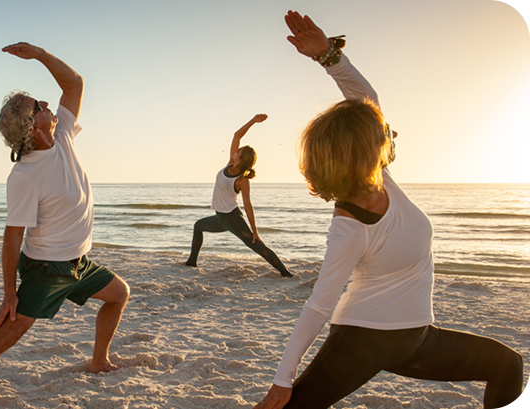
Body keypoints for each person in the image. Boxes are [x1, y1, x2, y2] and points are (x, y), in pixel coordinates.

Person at [255, 11, 523, 409]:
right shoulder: (350, 226)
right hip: (363, 339)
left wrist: (329, 55)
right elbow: (320, 304)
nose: (392, 132)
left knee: (507, 365)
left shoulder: (381, 178)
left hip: (417, 336)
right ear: (365, 152)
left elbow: (366, 99)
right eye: (383, 133)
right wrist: (282, 378)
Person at [0, 42, 130, 409]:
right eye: (37, 107)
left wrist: (41, 55)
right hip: (47, 269)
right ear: (30, 126)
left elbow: (74, 84)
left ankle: (99, 360)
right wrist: (9, 293)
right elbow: (12, 239)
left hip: (79, 262)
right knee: (8, 335)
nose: (46, 105)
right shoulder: (24, 176)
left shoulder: (63, 136)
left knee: (119, 294)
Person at [184, 114, 292, 278]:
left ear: (241, 159)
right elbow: (237, 135)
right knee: (198, 226)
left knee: (256, 246)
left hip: (232, 218)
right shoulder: (229, 165)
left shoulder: (242, 180)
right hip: (220, 218)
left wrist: (255, 230)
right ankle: (191, 262)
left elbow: (247, 205)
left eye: (238, 151)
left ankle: (285, 273)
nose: (235, 151)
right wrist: (253, 121)